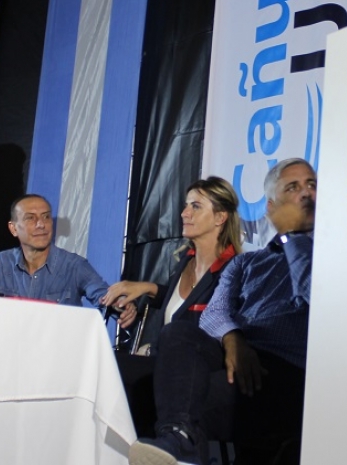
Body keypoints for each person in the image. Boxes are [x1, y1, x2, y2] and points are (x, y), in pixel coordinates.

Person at [128, 158, 316, 465]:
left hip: (287, 372)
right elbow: (213, 314)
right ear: (271, 207)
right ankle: (179, 440)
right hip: (236, 357)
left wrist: (293, 236)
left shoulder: (331, 251)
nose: (306, 193)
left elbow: (315, 295)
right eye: (293, 187)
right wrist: (234, 340)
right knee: (176, 334)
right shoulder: (247, 263)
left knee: (168, 395)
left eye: (312, 185)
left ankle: (179, 439)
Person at [101, 176, 242, 437]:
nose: (184, 213)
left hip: (198, 370)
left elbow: (210, 323)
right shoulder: (184, 263)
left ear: (220, 217)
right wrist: (146, 288)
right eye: (186, 205)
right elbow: (182, 304)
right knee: (110, 364)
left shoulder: (234, 269)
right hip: (163, 362)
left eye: (196, 206)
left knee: (133, 379)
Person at [0, 194, 135, 326]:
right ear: (13, 229)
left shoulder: (74, 265)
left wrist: (121, 304)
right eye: (30, 218)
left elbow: (104, 295)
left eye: (46, 217)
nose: (41, 224)